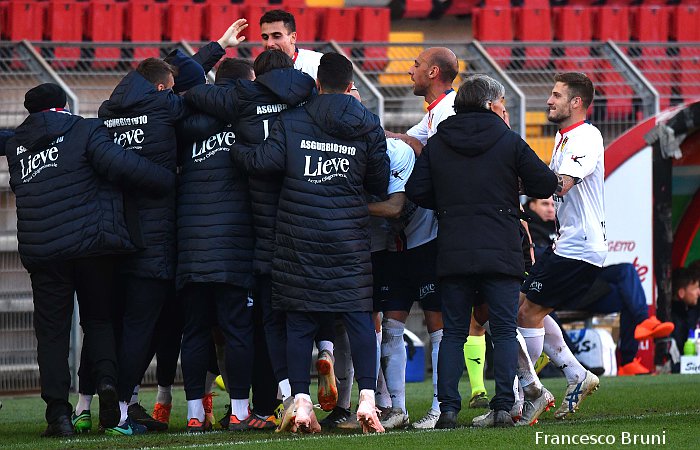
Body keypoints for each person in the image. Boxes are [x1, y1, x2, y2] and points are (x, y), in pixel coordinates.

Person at [2, 83, 175, 437]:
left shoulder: (16, 144)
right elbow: (124, 166)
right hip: (91, 246)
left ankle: (58, 415)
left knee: (51, 333)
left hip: (44, 252)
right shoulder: (85, 130)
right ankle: (108, 384)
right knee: (98, 321)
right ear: (64, 105)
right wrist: (168, 179)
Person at [230, 52, 389, 434]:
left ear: (317, 84)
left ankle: (301, 403)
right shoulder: (369, 123)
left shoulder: (293, 118)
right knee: (357, 317)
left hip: (298, 234)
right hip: (349, 236)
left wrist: (235, 148)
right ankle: (367, 397)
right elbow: (379, 184)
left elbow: (263, 162)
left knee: (299, 321)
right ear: (351, 84)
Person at [406, 74, 557, 428]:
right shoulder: (507, 140)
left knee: (454, 333)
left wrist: (447, 203)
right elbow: (546, 183)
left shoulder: (440, 141)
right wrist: (512, 187)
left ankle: (447, 410)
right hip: (501, 250)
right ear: (490, 105)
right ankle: (504, 407)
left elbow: (416, 190)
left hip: (454, 250)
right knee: (503, 330)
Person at [184, 50, 317, 430]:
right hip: (290, 225)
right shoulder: (307, 99)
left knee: (206, 329)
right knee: (270, 323)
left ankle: (193, 411)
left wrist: (211, 50)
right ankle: (262, 405)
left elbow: (186, 84)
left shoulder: (228, 106)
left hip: (210, 241)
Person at [517, 72, 606, 420]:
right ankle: (576, 375)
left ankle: (528, 394)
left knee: (527, 313)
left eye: (556, 95)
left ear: (576, 103)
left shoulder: (586, 136)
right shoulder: (564, 137)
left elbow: (562, 184)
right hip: (568, 243)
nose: (549, 100)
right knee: (526, 305)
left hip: (581, 246)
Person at [670, 266, 700, 367]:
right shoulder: (671, 318)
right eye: (696, 288)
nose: (698, 293)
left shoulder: (692, 310)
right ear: (681, 293)